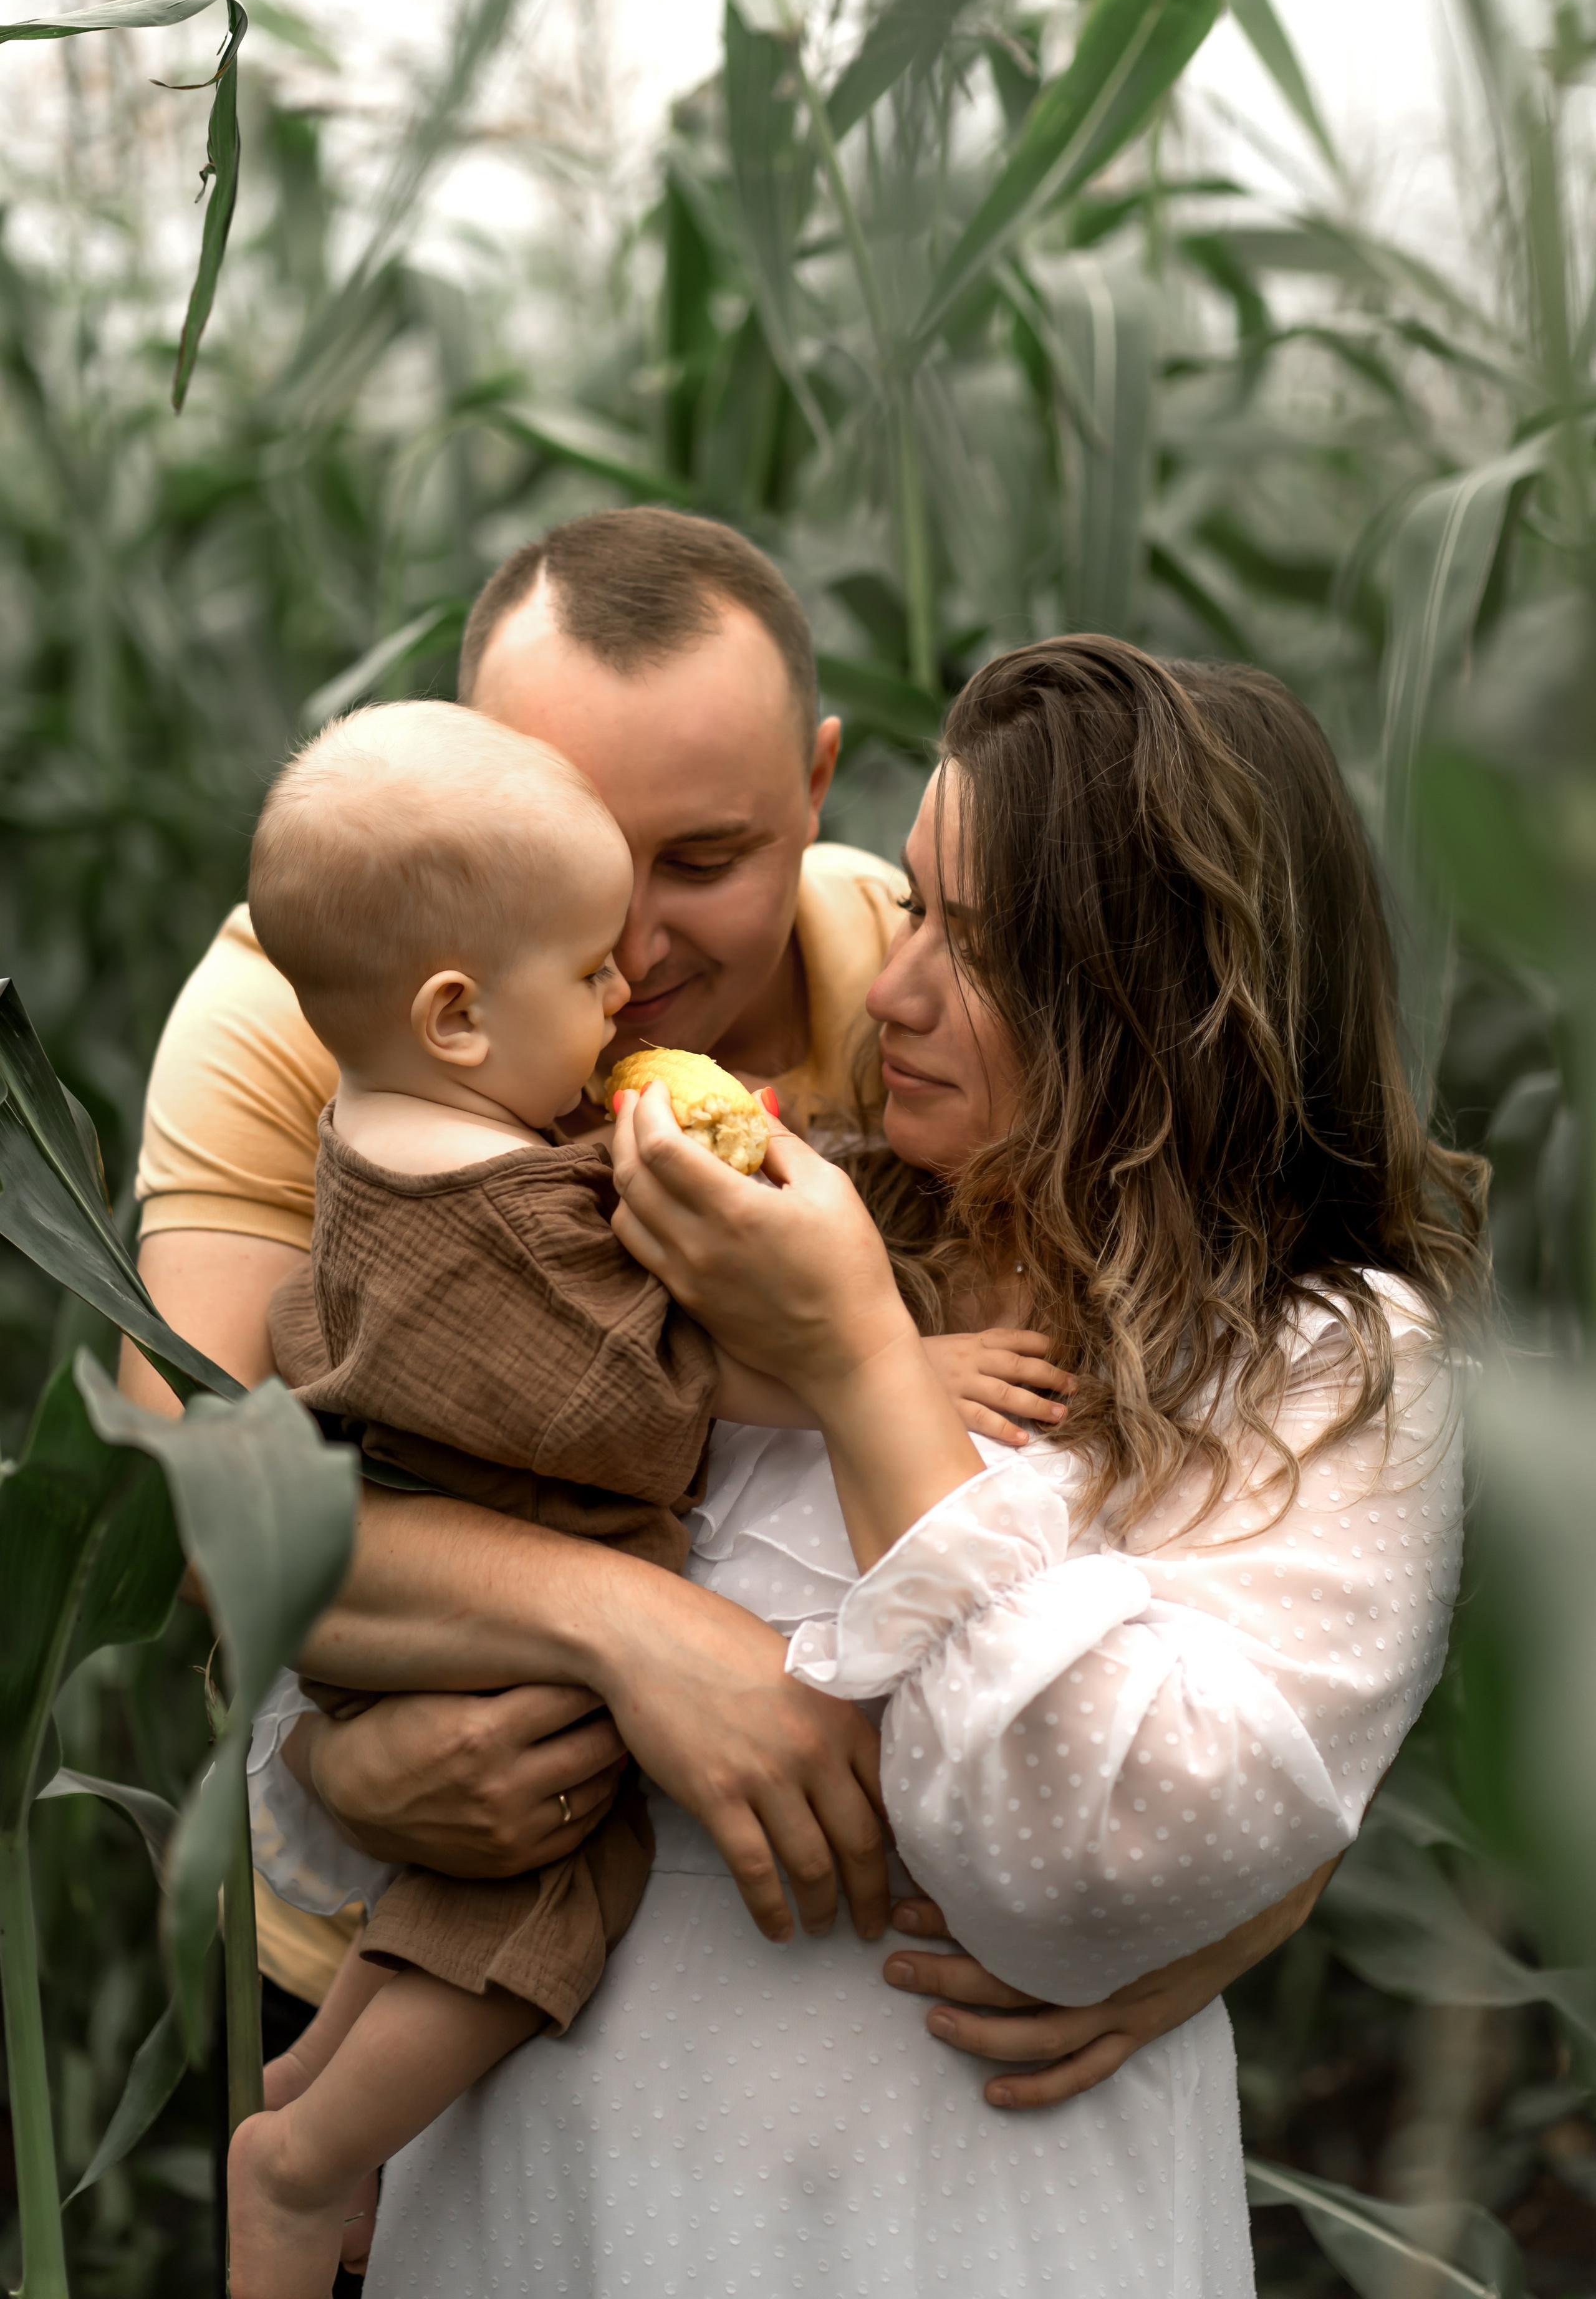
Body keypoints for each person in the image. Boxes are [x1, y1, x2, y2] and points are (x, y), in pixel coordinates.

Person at [249, 636, 1484, 2295]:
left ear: (1169, 996)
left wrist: (853, 1364)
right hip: (539, 2212)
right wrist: (383, 1747)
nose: (892, 994)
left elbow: (1083, 1875)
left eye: (984, 950)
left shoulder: (1324, 1367)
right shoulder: (784, 1203)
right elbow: (355, 1517)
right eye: (910, 909)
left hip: (944, 2233)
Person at [130, 511, 1327, 2136]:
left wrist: (1242, 1895)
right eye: (577, 855)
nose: (630, 951)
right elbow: (194, 1505)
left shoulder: (918, 983)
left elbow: (1242, 1454)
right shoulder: (314, 995)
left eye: (702, 862)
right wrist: (625, 1639)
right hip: (384, 1960)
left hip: (807, 2019)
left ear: (819, 785)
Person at [225, 698, 1066, 2293]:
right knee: (555, 1894)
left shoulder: (398, 1097)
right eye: (587, 967)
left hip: (443, 1623)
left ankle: (312, 2082)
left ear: (812, 789)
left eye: (707, 857)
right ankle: (312, 2159)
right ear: (458, 1014)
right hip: (496, 1654)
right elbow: (626, 1377)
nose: (629, 983)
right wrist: (876, 1357)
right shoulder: (483, 1195)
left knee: (462, 1891)